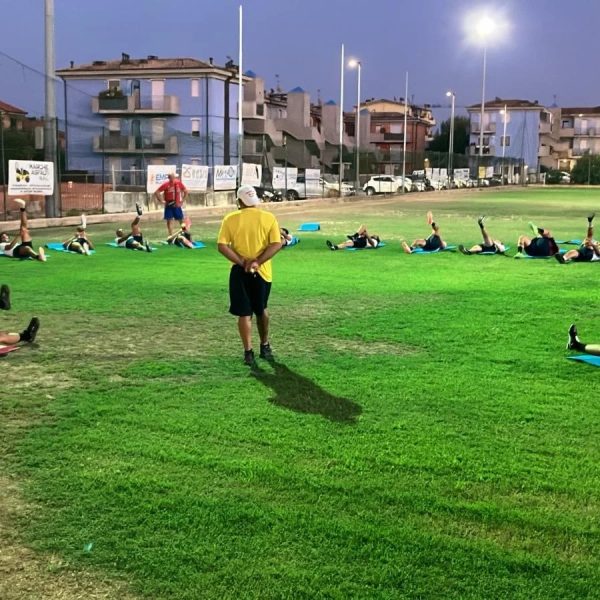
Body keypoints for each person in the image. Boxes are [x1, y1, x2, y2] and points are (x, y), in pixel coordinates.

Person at [217, 184, 282, 366]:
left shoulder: (230, 219)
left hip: (239, 271)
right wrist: (258, 261)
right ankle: (265, 345)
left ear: (239, 201)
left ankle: (248, 352)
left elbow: (222, 246)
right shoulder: (269, 218)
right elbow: (276, 244)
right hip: (263, 272)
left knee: (244, 313)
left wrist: (242, 262)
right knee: (262, 309)